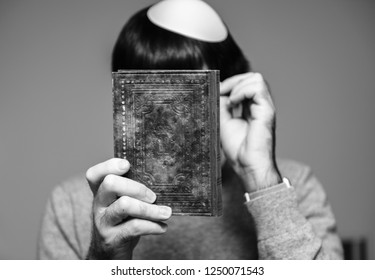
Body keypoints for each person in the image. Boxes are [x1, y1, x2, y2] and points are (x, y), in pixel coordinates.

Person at [38, 0, 343, 259]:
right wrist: (105, 260)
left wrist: (263, 182)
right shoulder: (74, 204)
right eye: (149, 93)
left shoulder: (294, 187)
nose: (167, 116)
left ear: (228, 93)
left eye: (188, 91)